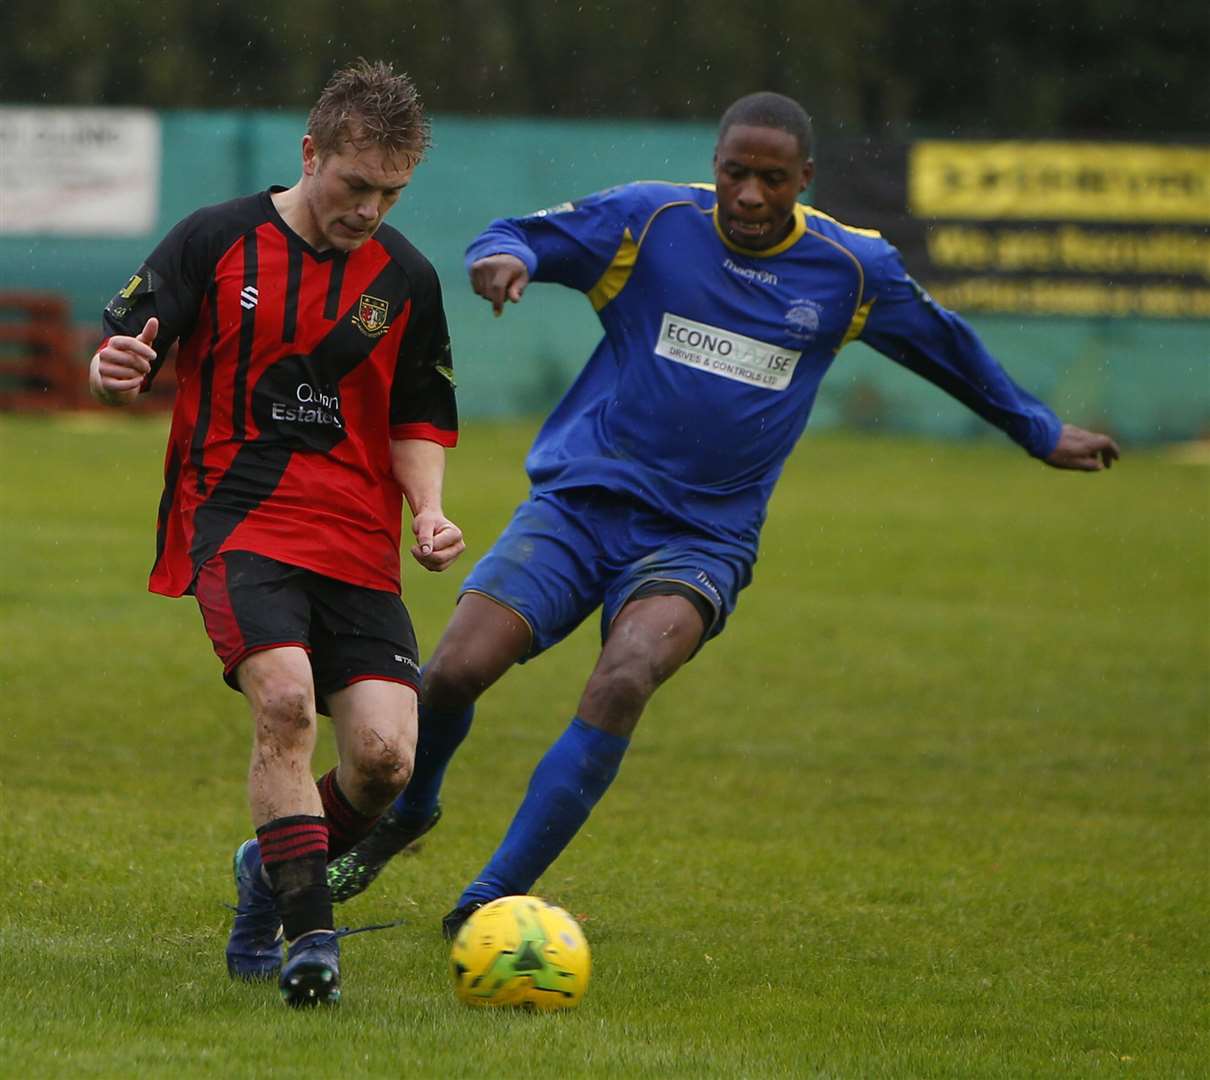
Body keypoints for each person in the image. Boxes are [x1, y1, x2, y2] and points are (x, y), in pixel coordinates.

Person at [326, 91, 1120, 938]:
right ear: (716, 166)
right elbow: (514, 233)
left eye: (771, 179)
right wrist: (504, 261)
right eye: (736, 172)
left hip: (702, 538)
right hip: (581, 505)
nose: (749, 194)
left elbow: (946, 346)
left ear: (803, 180)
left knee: (627, 673)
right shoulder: (650, 222)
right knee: (450, 672)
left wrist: (1037, 430)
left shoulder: (852, 269)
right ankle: (411, 811)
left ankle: (488, 901)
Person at [89, 59, 464, 1007]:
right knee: (288, 703)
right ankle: (307, 940)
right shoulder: (216, 238)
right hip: (237, 517)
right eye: (354, 185)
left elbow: (419, 415)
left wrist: (428, 509)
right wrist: (116, 369)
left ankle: (270, 868)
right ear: (311, 153)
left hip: (357, 542)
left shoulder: (406, 279)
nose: (370, 209)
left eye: (391, 192)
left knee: (383, 763)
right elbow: (128, 345)